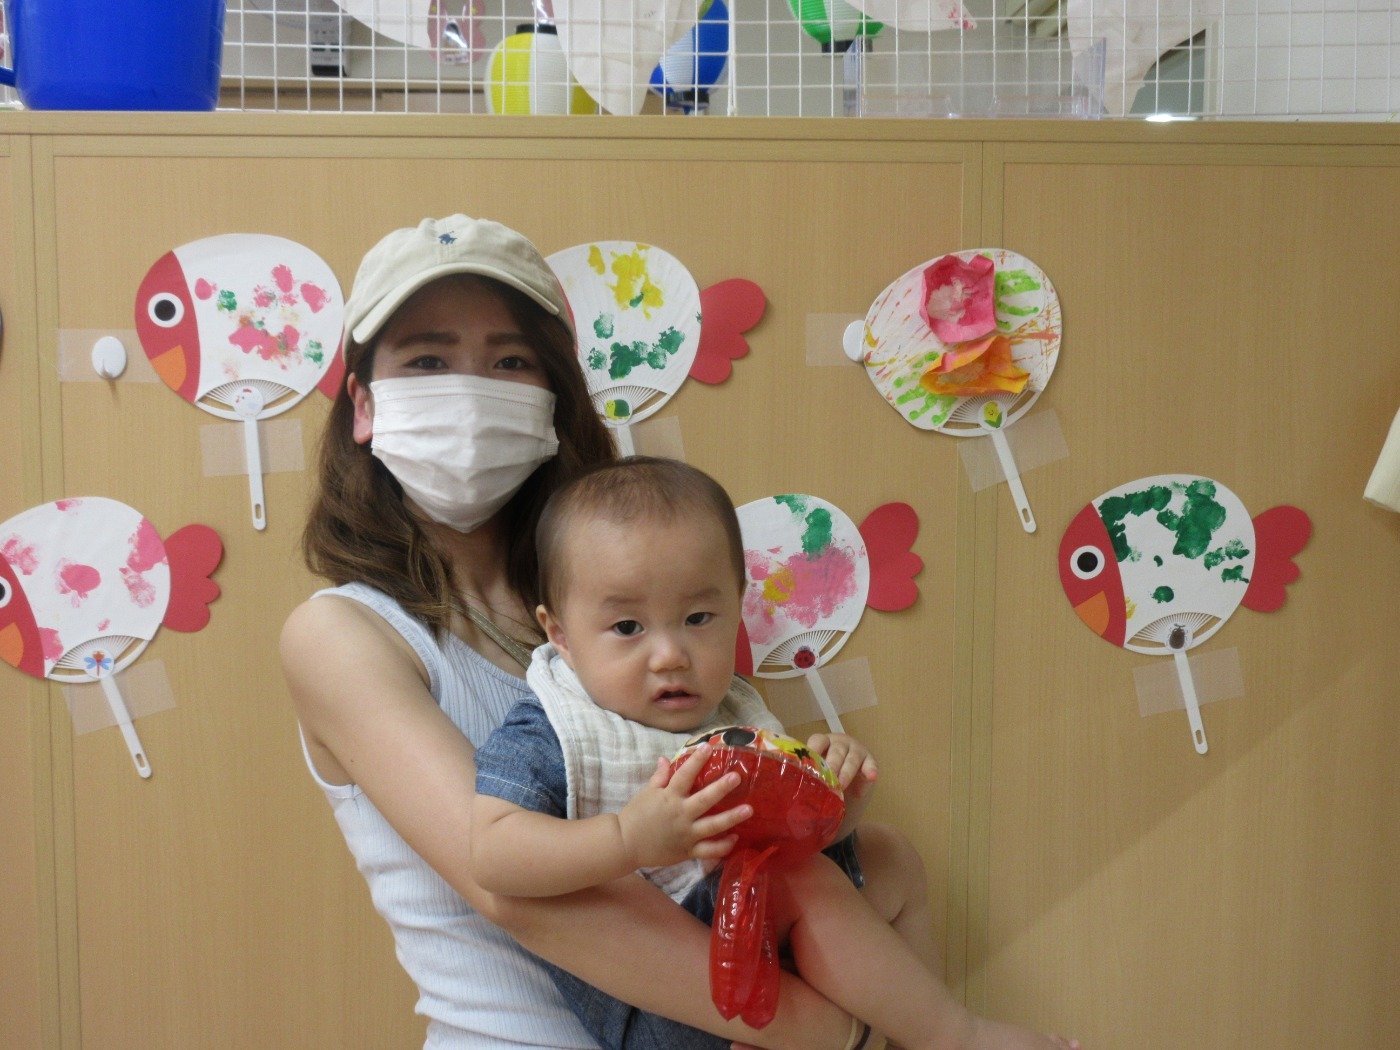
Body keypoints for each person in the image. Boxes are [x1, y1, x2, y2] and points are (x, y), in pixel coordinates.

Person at [281, 213, 875, 1050]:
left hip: (722, 1018)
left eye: (509, 361)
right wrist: (839, 1033)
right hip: (527, 1039)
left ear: (554, 400)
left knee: (888, 859)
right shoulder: (342, 634)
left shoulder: (621, 612)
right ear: (365, 404)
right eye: (428, 360)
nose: (469, 392)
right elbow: (512, 891)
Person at [469, 457, 1081, 1050]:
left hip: (754, 934)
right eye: (628, 628)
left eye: (698, 617)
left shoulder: (733, 711)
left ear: (737, 606)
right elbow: (492, 855)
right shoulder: (557, 727)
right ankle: (957, 1039)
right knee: (789, 878)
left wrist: (835, 803)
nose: (671, 655)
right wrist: (627, 839)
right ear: (561, 634)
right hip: (667, 1003)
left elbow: (791, 838)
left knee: (890, 856)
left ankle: (910, 1035)